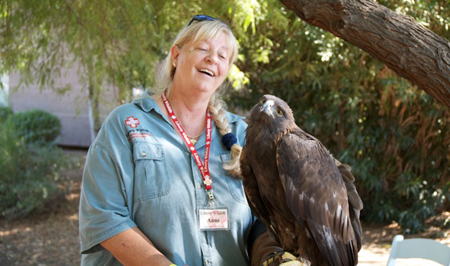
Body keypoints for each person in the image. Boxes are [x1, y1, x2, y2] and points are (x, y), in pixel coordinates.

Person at [79, 15, 299, 266]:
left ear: (226, 70)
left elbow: (264, 219)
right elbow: (105, 217)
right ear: (175, 55)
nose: (212, 59)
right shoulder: (126, 124)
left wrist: (275, 258)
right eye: (203, 49)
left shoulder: (244, 134)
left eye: (222, 56)